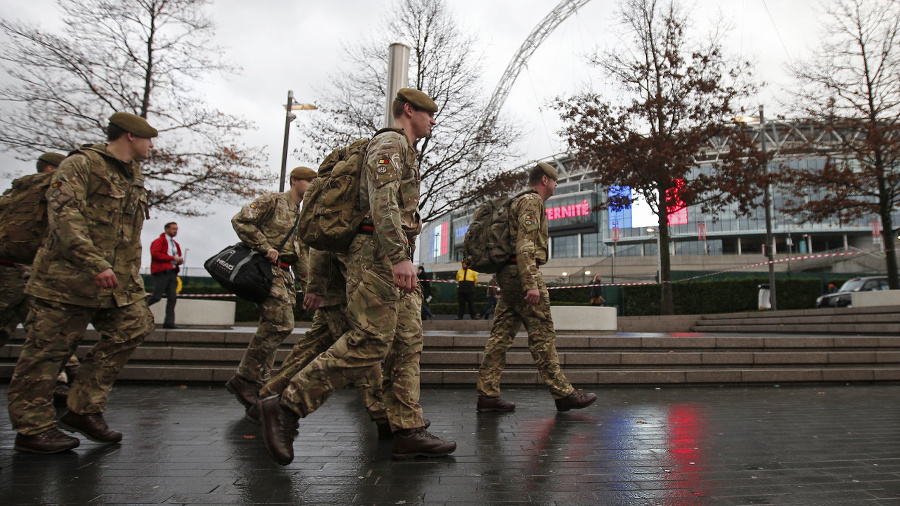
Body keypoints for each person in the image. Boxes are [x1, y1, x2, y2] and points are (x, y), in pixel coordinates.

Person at [256, 88, 456, 465]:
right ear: (409, 110)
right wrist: (398, 257)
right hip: (377, 253)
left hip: (393, 254)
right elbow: (381, 201)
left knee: (407, 342)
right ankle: (286, 406)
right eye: (429, 112)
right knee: (371, 339)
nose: (433, 119)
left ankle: (407, 430)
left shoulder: (406, 150)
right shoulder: (389, 143)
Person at [7, 112, 158, 454]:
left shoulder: (132, 174)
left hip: (116, 280)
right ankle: (32, 429)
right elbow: (64, 215)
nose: (151, 145)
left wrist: (128, 274)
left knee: (136, 325)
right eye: (148, 138)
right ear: (130, 137)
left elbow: (126, 233)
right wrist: (93, 261)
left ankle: (83, 408)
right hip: (67, 279)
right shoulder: (80, 164)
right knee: (46, 354)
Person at [476, 162, 597, 414]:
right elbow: (525, 244)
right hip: (522, 275)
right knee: (542, 334)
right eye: (555, 181)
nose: (555, 185)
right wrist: (531, 284)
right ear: (544, 180)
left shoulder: (516, 201)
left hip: (508, 273)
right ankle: (563, 393)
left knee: (500, 336)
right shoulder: (532, 202)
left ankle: (487, 393)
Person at [246, 249, 391, 437]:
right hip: (343, 291)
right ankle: (382, 414)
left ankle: (265, 402)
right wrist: (315, 287)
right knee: (360, 348)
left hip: (341, 289)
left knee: (310, 349)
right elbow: (322, 243)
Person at [225, 166, 314, 410]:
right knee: (280, 323)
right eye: (307, 180)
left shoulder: (301, 213)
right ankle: (244, 378)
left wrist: (309, 288)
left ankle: (258, 382)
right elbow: (240, 220)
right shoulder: (273, 201)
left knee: (275, 326)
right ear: (294, 181)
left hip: (284, 274)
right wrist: (264, 246)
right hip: (265, 270)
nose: (311, 185)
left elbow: (302, 255)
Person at [0, 152, 80, 406]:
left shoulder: (14, 194)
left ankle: (62, 378)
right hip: (28, 272)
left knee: (44, 329)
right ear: (50, 169)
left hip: (16, 271)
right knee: (46, 329)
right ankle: (61, 380)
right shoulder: (50, 193)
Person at [147, 222, 183, 329]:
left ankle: (169, 322)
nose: (175, 231)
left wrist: (178, 261)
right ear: (166, 229)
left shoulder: (175, 244)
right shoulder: (159, 241)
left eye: (176, 229)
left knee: (172, 297)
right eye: (173, 229)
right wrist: (172, 259)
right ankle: (137, 310)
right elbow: (156, 254)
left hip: (172, 272)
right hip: (162, 272)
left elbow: (177, 255)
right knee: (156, 296)